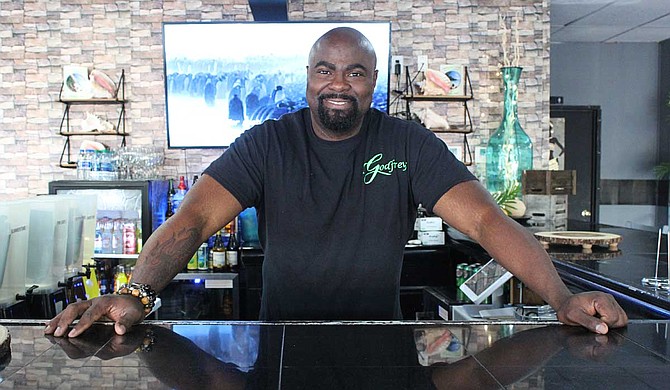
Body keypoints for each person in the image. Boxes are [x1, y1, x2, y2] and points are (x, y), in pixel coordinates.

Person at [46, 27, 627, 338]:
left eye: (355, 71)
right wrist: (135, 294)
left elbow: (486, 221)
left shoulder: (405, 143)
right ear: (308, 78)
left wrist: (562, 298)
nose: (338, 82)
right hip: (280, 340)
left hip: (378, 340)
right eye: (326, 69)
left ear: (373, 81)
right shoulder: (268, 143)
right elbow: (191, 221)